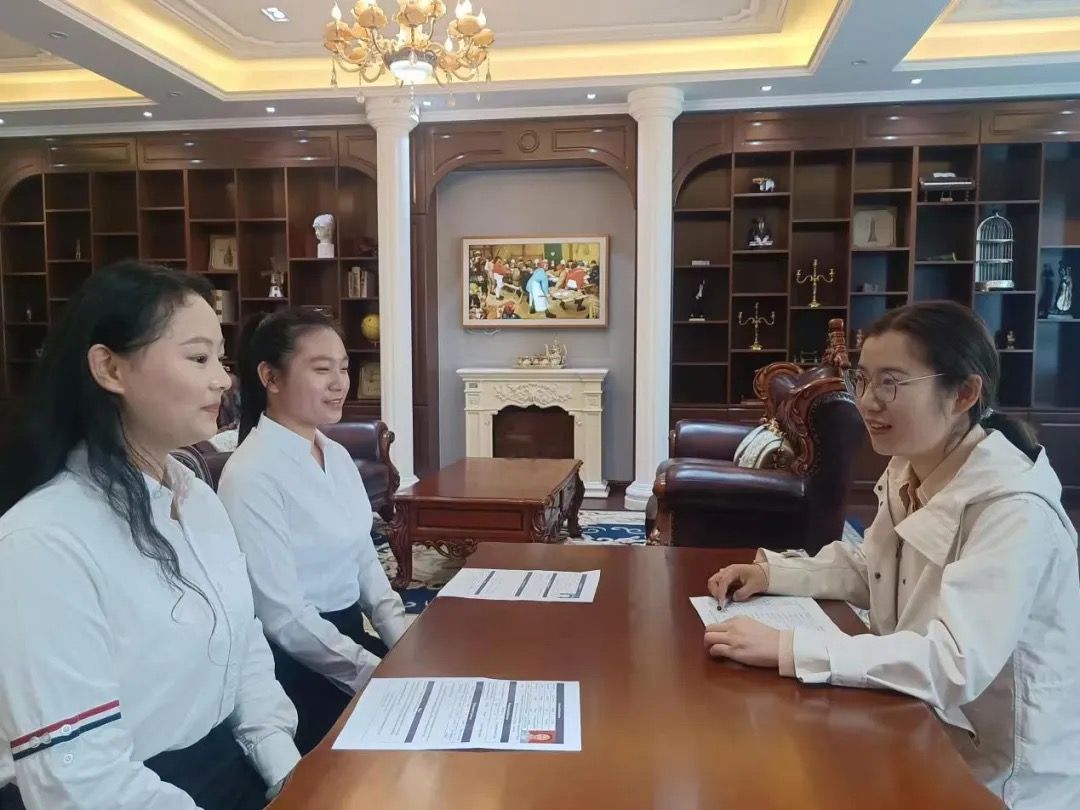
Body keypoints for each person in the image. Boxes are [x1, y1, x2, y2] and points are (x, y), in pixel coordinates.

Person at [704, 300, 1080, 809]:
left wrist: (789, 647)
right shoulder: (911, 465)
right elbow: (873, 566)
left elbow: (953, 663)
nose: (867, 402)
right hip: (918, 721)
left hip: (996, 776)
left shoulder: (1014, 509)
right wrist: (774, 573)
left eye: (891, 383)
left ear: (964, 394)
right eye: (862, 380)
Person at [0, 262, 300, 809]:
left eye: (221, 358)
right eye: (198, 358)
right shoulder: (42, 541)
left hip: (227, 765)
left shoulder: (197, 497)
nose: (223, 379)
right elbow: (80, 781)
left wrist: (287, 773)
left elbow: (245, 645)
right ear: (110, 368)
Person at [216, 309, 408, 755]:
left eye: (344, 368)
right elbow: (283, 617)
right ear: (271, 377)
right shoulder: (251, 475)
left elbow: (364, 559)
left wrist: (403, 645)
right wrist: (370, 673)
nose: (340, 383)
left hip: (346, 640)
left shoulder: (335, 455)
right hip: (296, 666)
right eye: (322, 369)